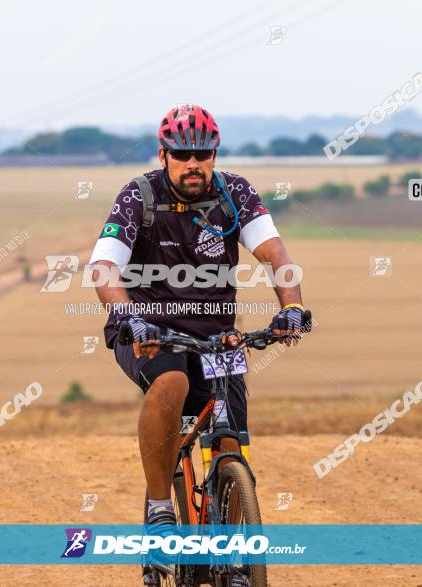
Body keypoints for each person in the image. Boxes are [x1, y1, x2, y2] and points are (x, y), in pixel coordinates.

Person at [88, 105, 309, 531]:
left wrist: (292, 307)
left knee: (230, 440)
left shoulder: (235, 193)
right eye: (182, 155)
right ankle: (159, 508)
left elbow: (275, 255)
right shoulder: (139, 196)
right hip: (149, 332)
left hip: (216, 337)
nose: (194, 164)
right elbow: (103, 267)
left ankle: (232, 535)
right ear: (163, 155)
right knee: (172, 381)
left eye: (203, 154)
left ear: (215, 154)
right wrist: (126, 315)